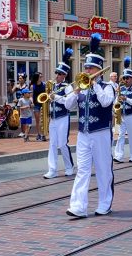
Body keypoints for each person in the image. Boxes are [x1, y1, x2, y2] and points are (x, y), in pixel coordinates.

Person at [64, 33, 115, 217]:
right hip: (83, 134)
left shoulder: (108, 86)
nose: (87, 71)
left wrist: (95, 85)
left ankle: (105, 203)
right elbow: (67, 105)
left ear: (99, 70)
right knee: (82, 170)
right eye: (86, 67)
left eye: (90, 68)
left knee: (103, 169)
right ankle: (78, 206)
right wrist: (76, 91)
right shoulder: (81, 88)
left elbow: (106, 102)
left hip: (101, 132)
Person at [44, 48, 75, 179]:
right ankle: (52, 170)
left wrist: (55, 97)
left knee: (62, 143)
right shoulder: (52, 86)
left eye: (59, 73)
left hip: (63, 117)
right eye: (56, 72)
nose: (56, 75)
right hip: (53, 118)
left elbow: (69, 103)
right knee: (52, 144)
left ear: (64, 75)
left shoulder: (68, 86)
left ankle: (69, 167)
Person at [114, 57, 132, 163]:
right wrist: (117, 103)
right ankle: (118, 155)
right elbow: (115, 102)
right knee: (120, 135)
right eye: (124, 78)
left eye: (128, 78)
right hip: (122, 115)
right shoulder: (121, 89)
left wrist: (126, 99)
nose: (125, 80)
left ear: (131, 78)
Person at [30, 72, 47, 142]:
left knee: (44, 119)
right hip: (36, 104)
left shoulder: (44, 85)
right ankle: (39, 134)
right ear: (37, 77)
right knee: (38, 120)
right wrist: (32, 102)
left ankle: (44, 134)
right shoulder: (32, 86)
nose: (41, 78)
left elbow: (46, 94)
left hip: (44, 104)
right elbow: (31, 96)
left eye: (41, 76)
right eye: (40, 77)